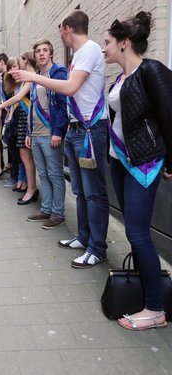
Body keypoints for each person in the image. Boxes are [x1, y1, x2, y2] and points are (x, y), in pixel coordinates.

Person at [13, 10, 109, 268]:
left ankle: (97, 248)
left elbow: (69, 88)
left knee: (93, 193)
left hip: (90, 131)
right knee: (79, 191)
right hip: (76, 131)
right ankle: (85, 237)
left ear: (67, 29)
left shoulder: (89, 50)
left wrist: (33, 76)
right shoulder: (79, 56)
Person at [103, 11, 172, 330]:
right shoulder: (121, 78)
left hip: (144, 163)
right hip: (120, 161)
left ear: (124, 43)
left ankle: (156, 309)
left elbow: (169, 114)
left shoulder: (151, 70)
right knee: (135, 230)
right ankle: (148, 293)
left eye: (107, 43)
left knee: (137, 232)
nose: (104, 48)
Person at [26, 39, 68, 229]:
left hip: (51, 133)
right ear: (34, 55)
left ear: (51, 53)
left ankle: (58, 213)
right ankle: (46, 209)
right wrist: (29, 132)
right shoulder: (36, 76)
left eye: (45, 50)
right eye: (38, 51)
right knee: (43, 174)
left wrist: (58, 132)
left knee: (55, 174)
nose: (41, 54)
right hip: (35, 133)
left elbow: (62, 105)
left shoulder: (58, 73)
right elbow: (32, 105)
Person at [0, 52, 38, 204]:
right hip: (21, 118)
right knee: (22, 154)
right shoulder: (22, 80)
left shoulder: (31, 78)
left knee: (27, 155)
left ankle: (31, 188)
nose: (17, 67)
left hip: (28, 118)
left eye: (19, 63)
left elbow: (19, 98)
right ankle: (27, 185)